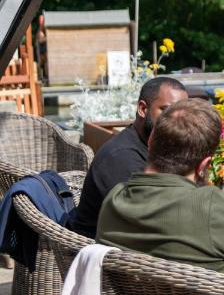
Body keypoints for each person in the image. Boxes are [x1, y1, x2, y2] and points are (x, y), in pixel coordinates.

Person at [96, 98, 224, 294]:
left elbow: (182, 226)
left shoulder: (115, 198)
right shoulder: (211, 207)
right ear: (204, 165)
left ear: (151, 141)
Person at [69, 76, 188, 238]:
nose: (177, 121)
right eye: (167, 111)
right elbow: (145, 222)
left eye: (184, 114)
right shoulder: (121, 157)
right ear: (143, 109)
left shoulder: (155, 148)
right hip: (102, 247)